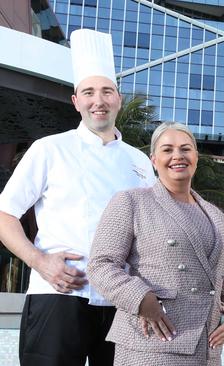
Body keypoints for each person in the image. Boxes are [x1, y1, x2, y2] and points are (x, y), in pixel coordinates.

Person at [0, 29, 155, 366]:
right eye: (88, 92)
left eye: (106, 91)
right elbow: (4, 214)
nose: (98, 101)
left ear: (118, 98)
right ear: (76, 101)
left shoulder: (140, 161)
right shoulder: (49, 149)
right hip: (58, 294)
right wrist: (39, 261)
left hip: (122, 300)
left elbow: (153, 232)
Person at [87, 122, 224, 365]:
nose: (178, 156)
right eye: (167, 150)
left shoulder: (216, 215)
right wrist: (141, 299)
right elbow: (100, 266)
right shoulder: (131, 202)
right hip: (151, 344)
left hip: (207, 348)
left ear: (196, 157)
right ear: (153, 160)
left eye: (185, 149)